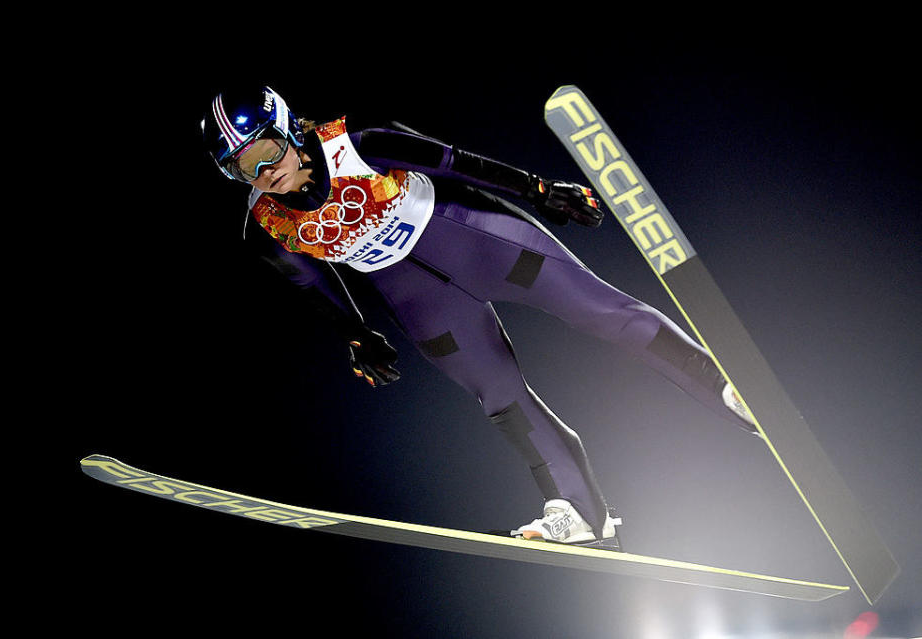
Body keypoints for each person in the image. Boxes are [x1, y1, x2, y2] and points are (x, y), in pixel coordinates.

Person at [201, 85, 757, 550]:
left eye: (265, 151)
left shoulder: (356, 140)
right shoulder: (265, 226)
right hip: (417, 296)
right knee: (499, 396)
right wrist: (357, 335)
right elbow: (314, 283)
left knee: (602, 313)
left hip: (479, 239)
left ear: (289, 127)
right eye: (241, 167)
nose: (263, 173)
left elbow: (452, 159)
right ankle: (582, 513)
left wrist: (539, 190)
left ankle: (726, 389)